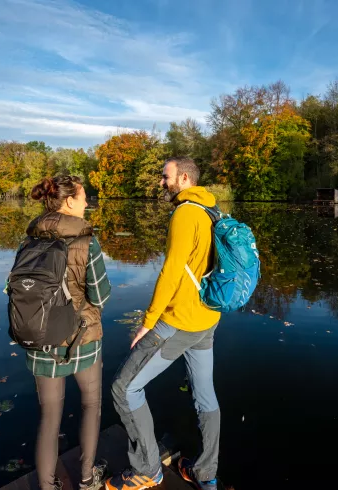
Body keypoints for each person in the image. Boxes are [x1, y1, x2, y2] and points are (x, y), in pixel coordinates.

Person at [106, 158, 221, 490]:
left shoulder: (185, 213)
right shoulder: (211, 211)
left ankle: (147, 470)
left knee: (125, 389)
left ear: (183, 178)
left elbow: (171, 271)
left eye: (165, 176)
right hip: (207, 319)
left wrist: (148, 322)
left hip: (179, 321)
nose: (161, 182)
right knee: (205, 395)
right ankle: (206, 474)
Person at [26, 176, 111, 490]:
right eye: (84, 197)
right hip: (81, 336)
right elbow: (100, 297)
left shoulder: (30, 238)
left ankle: (48, 486)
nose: (87, 203)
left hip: (40, 336)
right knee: (91, 404)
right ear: (69, 202)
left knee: (49, 417)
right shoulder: (86, 240)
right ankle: (87, 479)